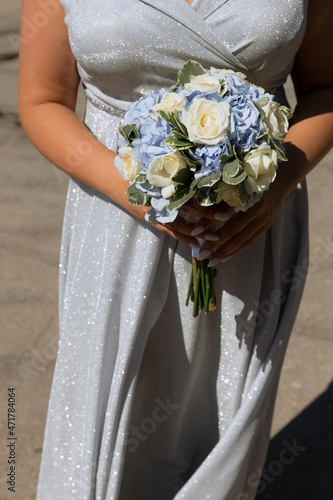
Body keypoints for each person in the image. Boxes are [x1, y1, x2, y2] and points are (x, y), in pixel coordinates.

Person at [18, 0, 332, 499]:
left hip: (248, 229)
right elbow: (42, 100)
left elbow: (324, 88)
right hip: (117, 229)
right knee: (112, 409)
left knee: (220, 414)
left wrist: (276, 186)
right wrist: (144, 197)